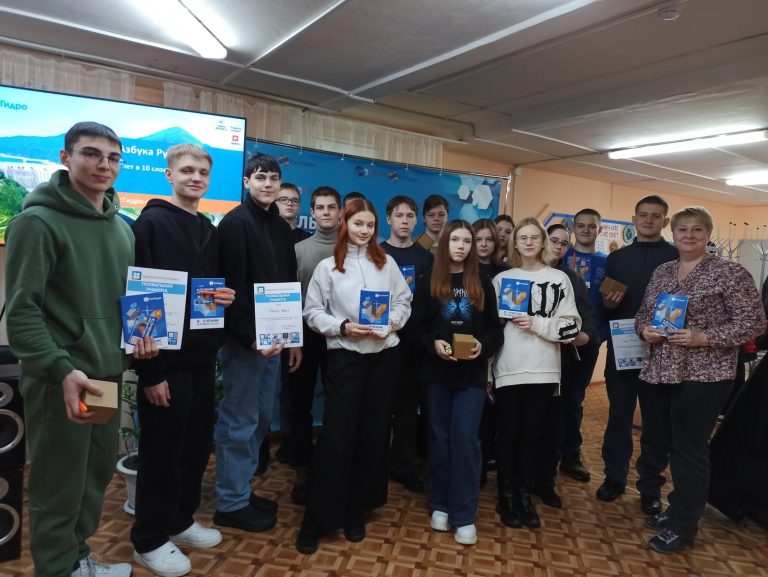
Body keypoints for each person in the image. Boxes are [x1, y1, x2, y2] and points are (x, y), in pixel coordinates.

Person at [4, 121, 158, 577]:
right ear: (65, 157)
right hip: (63, 381)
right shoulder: (36, 223)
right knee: (58, 484)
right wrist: (60, 369)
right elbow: (22, 314)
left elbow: (127, 305)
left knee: (92, 478)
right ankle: (56, 568)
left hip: (104, 375)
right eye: (91, 153)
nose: (103, 165)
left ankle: (76, 559)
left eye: (113, 157)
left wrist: (142, 338)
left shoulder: (121, 229)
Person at [129, 144, 235, 576]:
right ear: (169, 175)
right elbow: (140, 299)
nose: (196, 178)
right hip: (164, 364)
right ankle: (149, 539)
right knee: (161, 453)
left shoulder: (208, 228)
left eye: (203, 172)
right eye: (187, 170)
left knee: (194, 447)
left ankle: (180, 520)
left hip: (201, 359)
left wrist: (223, 298)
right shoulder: (150, 224)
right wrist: (150, 373)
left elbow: (204, 293)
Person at [636, 206, 765, 554]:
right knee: (666, 443)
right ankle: (678, 508)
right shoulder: (663, 271)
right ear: (673, 233)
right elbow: (644, 314)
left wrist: (703, 337)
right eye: (682, 229)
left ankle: (683, 526)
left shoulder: (729, 273)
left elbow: (754, 322)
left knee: (689, 452)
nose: (689, 235)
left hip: (705, 375)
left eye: (697, 229)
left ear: (708, 234)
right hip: (661, 370)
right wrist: (645, 330)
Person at [296, 198, 412, 554]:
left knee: (373, 435)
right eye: (358, 224)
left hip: (383, 360)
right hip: (345, 359)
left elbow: (403, 302)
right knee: (337, 437)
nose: (364, 230)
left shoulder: (387, 263)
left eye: (370, 225)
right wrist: (343, 327)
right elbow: (312, 312)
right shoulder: (328, 267)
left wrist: (390, 323)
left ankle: (356, 510)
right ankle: (318, 517)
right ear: (345, 225)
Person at [213, 153, 302, 533]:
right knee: (239, 421)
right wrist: (250, 337)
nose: (268, 184)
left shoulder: (280, 227)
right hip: (245, 344)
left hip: (275, 341)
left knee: (261, 419)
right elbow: (227, 289)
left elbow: (288, 285)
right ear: (246, 181)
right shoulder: (235, 224)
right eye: (260, 177)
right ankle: (230, 502)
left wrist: (293, 337)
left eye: (274, 178)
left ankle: (241, 489)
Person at [411, 220, 503, 545]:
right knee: (439, 439)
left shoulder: (483, 283)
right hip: (435, 375)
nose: (461, 246)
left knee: (465, 440)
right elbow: (415, 328)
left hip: (471, 377)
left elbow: (495, 329)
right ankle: (440, 504)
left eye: (467, 241)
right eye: (455, 240)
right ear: (445, 243)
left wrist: (482, 345)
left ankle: (464, 514)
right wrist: (433, 344)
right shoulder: (428, 280)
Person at [492, 217, 580, 529]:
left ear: (543, 242)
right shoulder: (502, 279)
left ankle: (524, 495)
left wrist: (537, 324)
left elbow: (572, 327)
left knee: (532, 435)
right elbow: (490, 328)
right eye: (522, 237)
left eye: (534, 237)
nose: (528, 242)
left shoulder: (559, 279)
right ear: (514, 243)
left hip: (544, 370)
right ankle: (506, 496)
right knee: (508, 434)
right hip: (508, 368)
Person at [597, 195, 678, 515]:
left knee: (655, 421)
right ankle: (614, 477)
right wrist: (609, 304)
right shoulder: (617, 258)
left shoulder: (675, 256)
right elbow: (606, 303)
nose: (648, 220)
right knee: (618, 416)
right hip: (623, 348)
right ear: (634, 219)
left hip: (662, 350)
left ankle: (650, 487)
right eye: (643, 215)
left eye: (655, 216)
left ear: (665, 222)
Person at [282, 186, 342, 502]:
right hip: (304, 337)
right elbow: (291, 298)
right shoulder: (299, 249)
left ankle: (332, 463)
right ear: (313, 212)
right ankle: (303, 466)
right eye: (320, 207)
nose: (326, 212)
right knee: (300, 402)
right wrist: (293, 340)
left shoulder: (352, 249)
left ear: (340, 212)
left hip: (341, 337)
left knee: (338, 401)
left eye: (332, 207)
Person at [533, 224, 597, 509]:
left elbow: (586, 320)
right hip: (523, 360)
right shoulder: (519, 273)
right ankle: (519, 481)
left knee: (553, 425)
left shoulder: (571, 278)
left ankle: (545, 482)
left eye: (563, 243)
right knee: (525, 424)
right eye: (553, 240)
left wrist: (585, 335)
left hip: (559, 362)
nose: (558, 247)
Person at [381, 195, 434, 493]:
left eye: (410, 215)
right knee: (378, 407)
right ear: (388, 218)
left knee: (407, 409)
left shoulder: (425, 258)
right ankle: (374, 463)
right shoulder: (377, 253)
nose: (404, 220)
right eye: (399, 215)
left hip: (414, 345)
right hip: (381, 343)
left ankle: (403, 465)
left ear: (416, 220)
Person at [559, 208, 608, 482]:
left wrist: (599, 335)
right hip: (555, 340)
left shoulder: (607, 263)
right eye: (581, 225)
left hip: (588, 341)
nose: (586, 230)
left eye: (592, 225)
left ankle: (570, 453)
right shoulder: (560, 256)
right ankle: (546, 450)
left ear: (599, 229)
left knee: (574, 398)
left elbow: (612, 303)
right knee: (550, 397)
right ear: (573, 228)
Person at [471, 218, 509, 481]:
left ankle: (484, 463)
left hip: (500, 347)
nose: (483, 245)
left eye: (488, 239)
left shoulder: (507, 272)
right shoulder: (463, 270)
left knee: (491, 411)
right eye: (477, 239)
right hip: (470, 348)